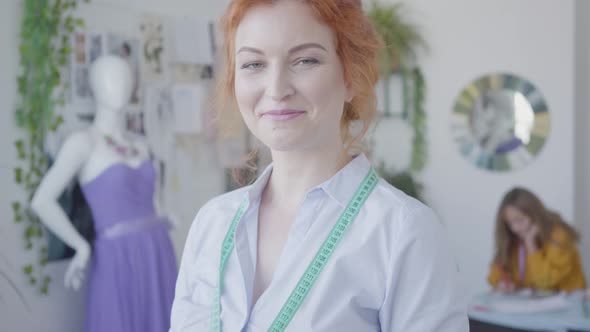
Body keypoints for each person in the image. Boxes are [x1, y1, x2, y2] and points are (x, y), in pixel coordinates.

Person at [169, 1, 468, 331]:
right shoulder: (212, 224)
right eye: (253, 64)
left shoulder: (403, 232)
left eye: (305, 60)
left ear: (350, 76)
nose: (277, 89)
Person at [31, 55, 177, 332]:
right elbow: (42, 201)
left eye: (125, 76)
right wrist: (80, 246)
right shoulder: (82, 142)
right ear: (95, 85)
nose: (120, 84)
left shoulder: (141, 144)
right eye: (111, 76)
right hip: (116, 256)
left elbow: (152, 200)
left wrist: (166, 216)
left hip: (157, 252)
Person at [488, 187, 586, 293]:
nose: (514, 228)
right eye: (509, 223)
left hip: (568, 304)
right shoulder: (513, 237)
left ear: (535, 215)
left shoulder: (558, 236)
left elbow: (545, 282)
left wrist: (531, 244)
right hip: (533, 304)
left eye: (519, 220)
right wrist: (500, 283)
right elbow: (495, 275)